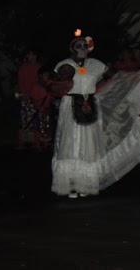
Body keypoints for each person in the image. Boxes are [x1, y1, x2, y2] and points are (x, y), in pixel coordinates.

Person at [50, 32, 112, 199]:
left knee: (88, 144)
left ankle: (85, 182)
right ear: (71, 48)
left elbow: (110, 77)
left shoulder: (96, 65)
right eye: (78, 46)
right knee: (70, 142)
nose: (82, 49)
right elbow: (53, 84)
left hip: (88, 106)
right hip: (69, 106)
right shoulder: (63, 65)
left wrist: (99, 90)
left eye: (85, 46)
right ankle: (70, 184)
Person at [15, 48, 42, 150]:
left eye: (30, 54)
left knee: (36, 119)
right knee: (24, 120)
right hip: (25, 97)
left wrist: (34, 94)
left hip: (36, 97)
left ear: (35, 55)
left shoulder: (39, 67)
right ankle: (22, 143)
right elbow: (20, 81)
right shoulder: (24, 67)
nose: (28, 56)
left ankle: (37, 143)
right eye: (28, 54)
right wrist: (23, 94)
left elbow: (40, 82)